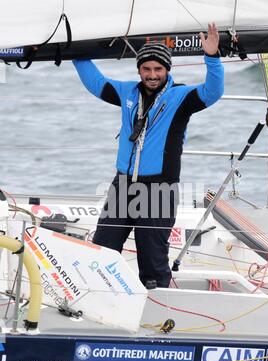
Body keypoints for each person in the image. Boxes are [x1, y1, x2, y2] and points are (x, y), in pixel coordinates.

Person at [73, 22, 224, 289]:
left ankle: (158, 316)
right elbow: (96, 83)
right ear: (139, 70)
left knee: (153, 262)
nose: (152, 75)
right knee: (102, 251)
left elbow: (213, 92)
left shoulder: (180, 97)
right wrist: (73, 48)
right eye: (146, 69)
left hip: (159, 190)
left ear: (167, 70)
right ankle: (97, 301)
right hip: (123, 186)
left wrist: (211, 57)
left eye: (158, 69)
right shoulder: (127, 92)